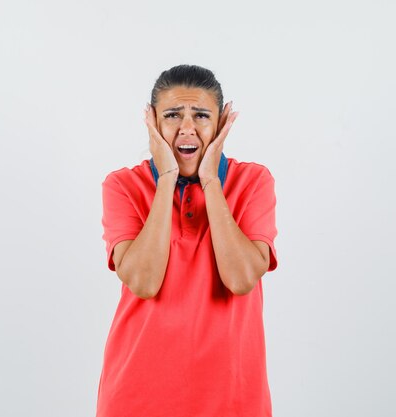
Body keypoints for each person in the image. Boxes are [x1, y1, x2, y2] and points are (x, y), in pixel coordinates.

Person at [96, 64, 279, 417]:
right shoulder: (122, 186)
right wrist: (166, 178)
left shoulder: (253, 181)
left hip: (234, 398)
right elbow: (144, 282)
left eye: (201, 115)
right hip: (135, 398)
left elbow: (240, 280)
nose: (187, 128)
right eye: (172, 115)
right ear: (152, 122)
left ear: (223, 122)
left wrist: (211, 180)